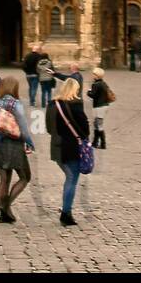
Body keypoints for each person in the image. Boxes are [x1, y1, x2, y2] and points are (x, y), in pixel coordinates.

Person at [47, 78, 91, 227]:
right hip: (72, 147)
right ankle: (66, 213)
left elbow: (48, 128)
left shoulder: (52, 104)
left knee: (69, 177)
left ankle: (66, 210)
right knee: (72, 178)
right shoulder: (76, 104)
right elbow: (85, 130)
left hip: (57, 146)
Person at [0, 76, 35, 223]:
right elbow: (22, 127)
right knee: (25, 177)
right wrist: (29, 142)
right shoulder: (15, 104)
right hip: (14, 144)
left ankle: (3, 212)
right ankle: (6, 207)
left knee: (4, 180)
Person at [87, 68, 113, 149]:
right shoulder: (103, 83)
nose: (92, 76)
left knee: (98, 125)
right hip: (104, 105)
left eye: (93, 74)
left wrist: (88, 92)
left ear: (96, 75)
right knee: (97, 124)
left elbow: (93, 95)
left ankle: (102, 143)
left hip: (99, 106)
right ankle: (96, 142)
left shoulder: (96, 84)